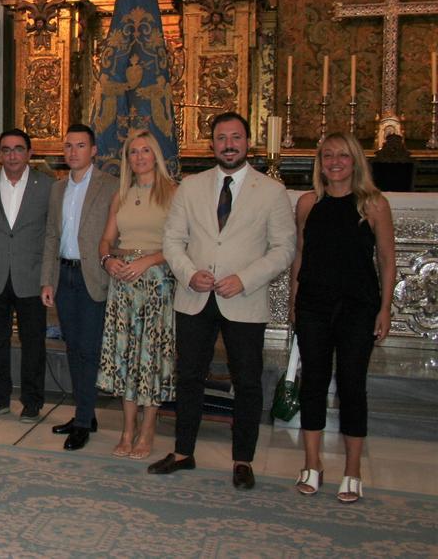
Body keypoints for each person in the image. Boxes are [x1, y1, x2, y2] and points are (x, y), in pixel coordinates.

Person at [150, 112, 295, 490]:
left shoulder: (271, 191)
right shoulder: (191, 187)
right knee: (189, 377)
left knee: (247, 381)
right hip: (195, 295)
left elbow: (284, 249)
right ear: (212, 144)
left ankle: (243, 459)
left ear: (248, 142)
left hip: (243, 298)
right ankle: (183, 452)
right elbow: (172, 241)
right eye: (221, 138)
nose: (228, 144)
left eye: (235, 137)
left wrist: (244, 279)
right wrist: (188, 272)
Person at [290, 132, 395, 504]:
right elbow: (300, 257)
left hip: (357, 307)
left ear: (355, 162)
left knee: (352, 386)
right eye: (328, 156)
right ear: (320, 162)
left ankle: (353, 470)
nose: (335, 162)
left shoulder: (374, 205)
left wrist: (384, 308)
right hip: (314, 306)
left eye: (343, 156)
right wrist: (294, 302)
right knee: (313, 384)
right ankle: (312, 464)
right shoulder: (307, 204)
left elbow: (385, 259)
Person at [96, 129, 178, 460]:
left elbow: (180, 245)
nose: (139, 157)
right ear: (127, 158)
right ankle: (127, 429)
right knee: (127, 356)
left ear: (155, 155)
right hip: (123, 286)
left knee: (150, 358)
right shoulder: (122, 194)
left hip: (156, 282)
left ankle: (148, 430)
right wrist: (108, 260)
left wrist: (148, 260)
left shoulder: (173, 192)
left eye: (145, 151)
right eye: (133, 152)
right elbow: (105, 240)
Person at [39, 124, 119, 450]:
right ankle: (85, 412)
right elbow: (51, 236)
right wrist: (47, 279)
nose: (73, 152)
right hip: (66, 275)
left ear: (94, 150)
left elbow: (119, 234)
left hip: (94, 275)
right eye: (69, 146)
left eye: (81, 145)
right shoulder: (57, 189)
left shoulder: (110, 186)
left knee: (89, 349)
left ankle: (84, 421)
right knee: (73, 347)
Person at [0, 129, 54, 422]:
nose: (12, 155)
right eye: (6, 150)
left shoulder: (47, 185)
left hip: (30, 274)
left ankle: (32, 402)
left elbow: (51, 232)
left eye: (18, 149)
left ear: (29, 153)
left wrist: (47, 276)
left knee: (33, 341)